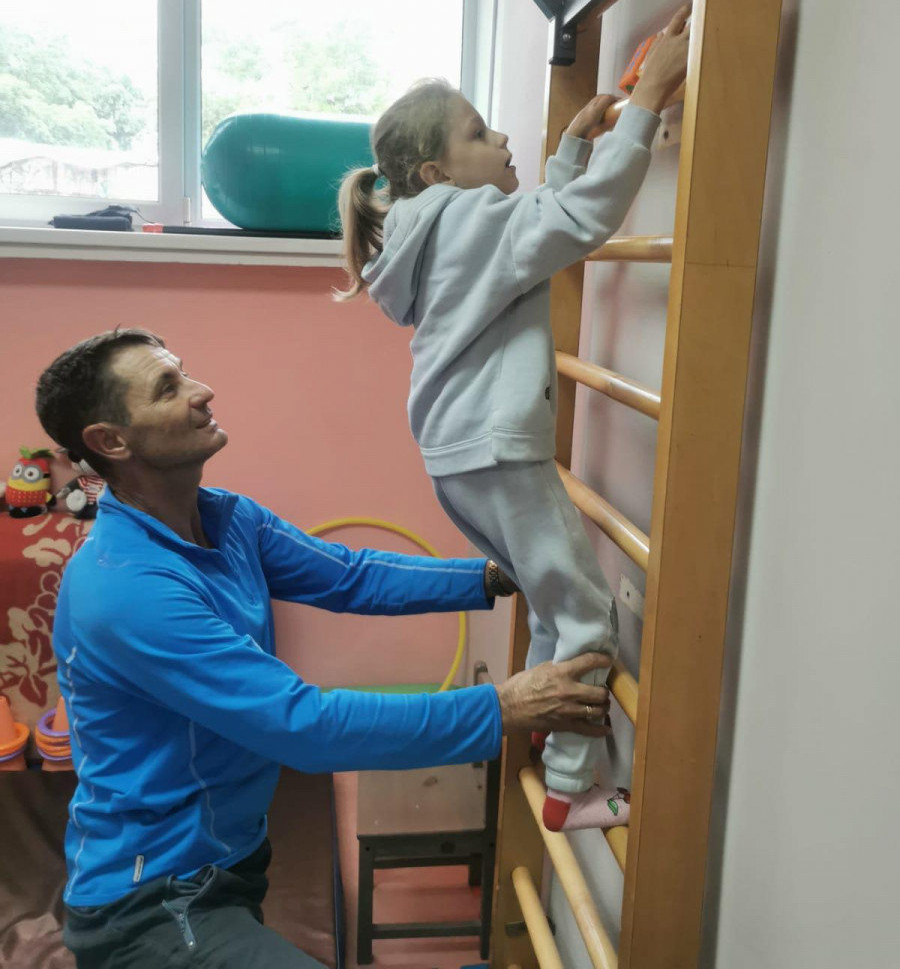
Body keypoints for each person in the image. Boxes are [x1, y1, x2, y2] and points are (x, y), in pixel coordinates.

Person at [35, 328, 614, 969]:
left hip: (227, 866)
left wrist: (495, 576)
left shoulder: (227, 518)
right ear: (111, 441)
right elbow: (305, 726)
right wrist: (502, 707)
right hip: (151, 901)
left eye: (185, 372)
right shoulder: (126, 587)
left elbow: (350, 577)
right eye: (168, 388)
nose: (203, 391)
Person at [337, 4, 690, 833]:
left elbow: (532, 235)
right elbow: (574, 221)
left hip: (458, 454)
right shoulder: (468, 218)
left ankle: (547, 745)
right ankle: (570, 788)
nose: (501, 139)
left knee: (552, 600)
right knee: (588, 614)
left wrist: (570, 149)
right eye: (479, 133)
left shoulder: (431, 229)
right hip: (495, 450)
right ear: (438, 171)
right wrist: (648, 100)